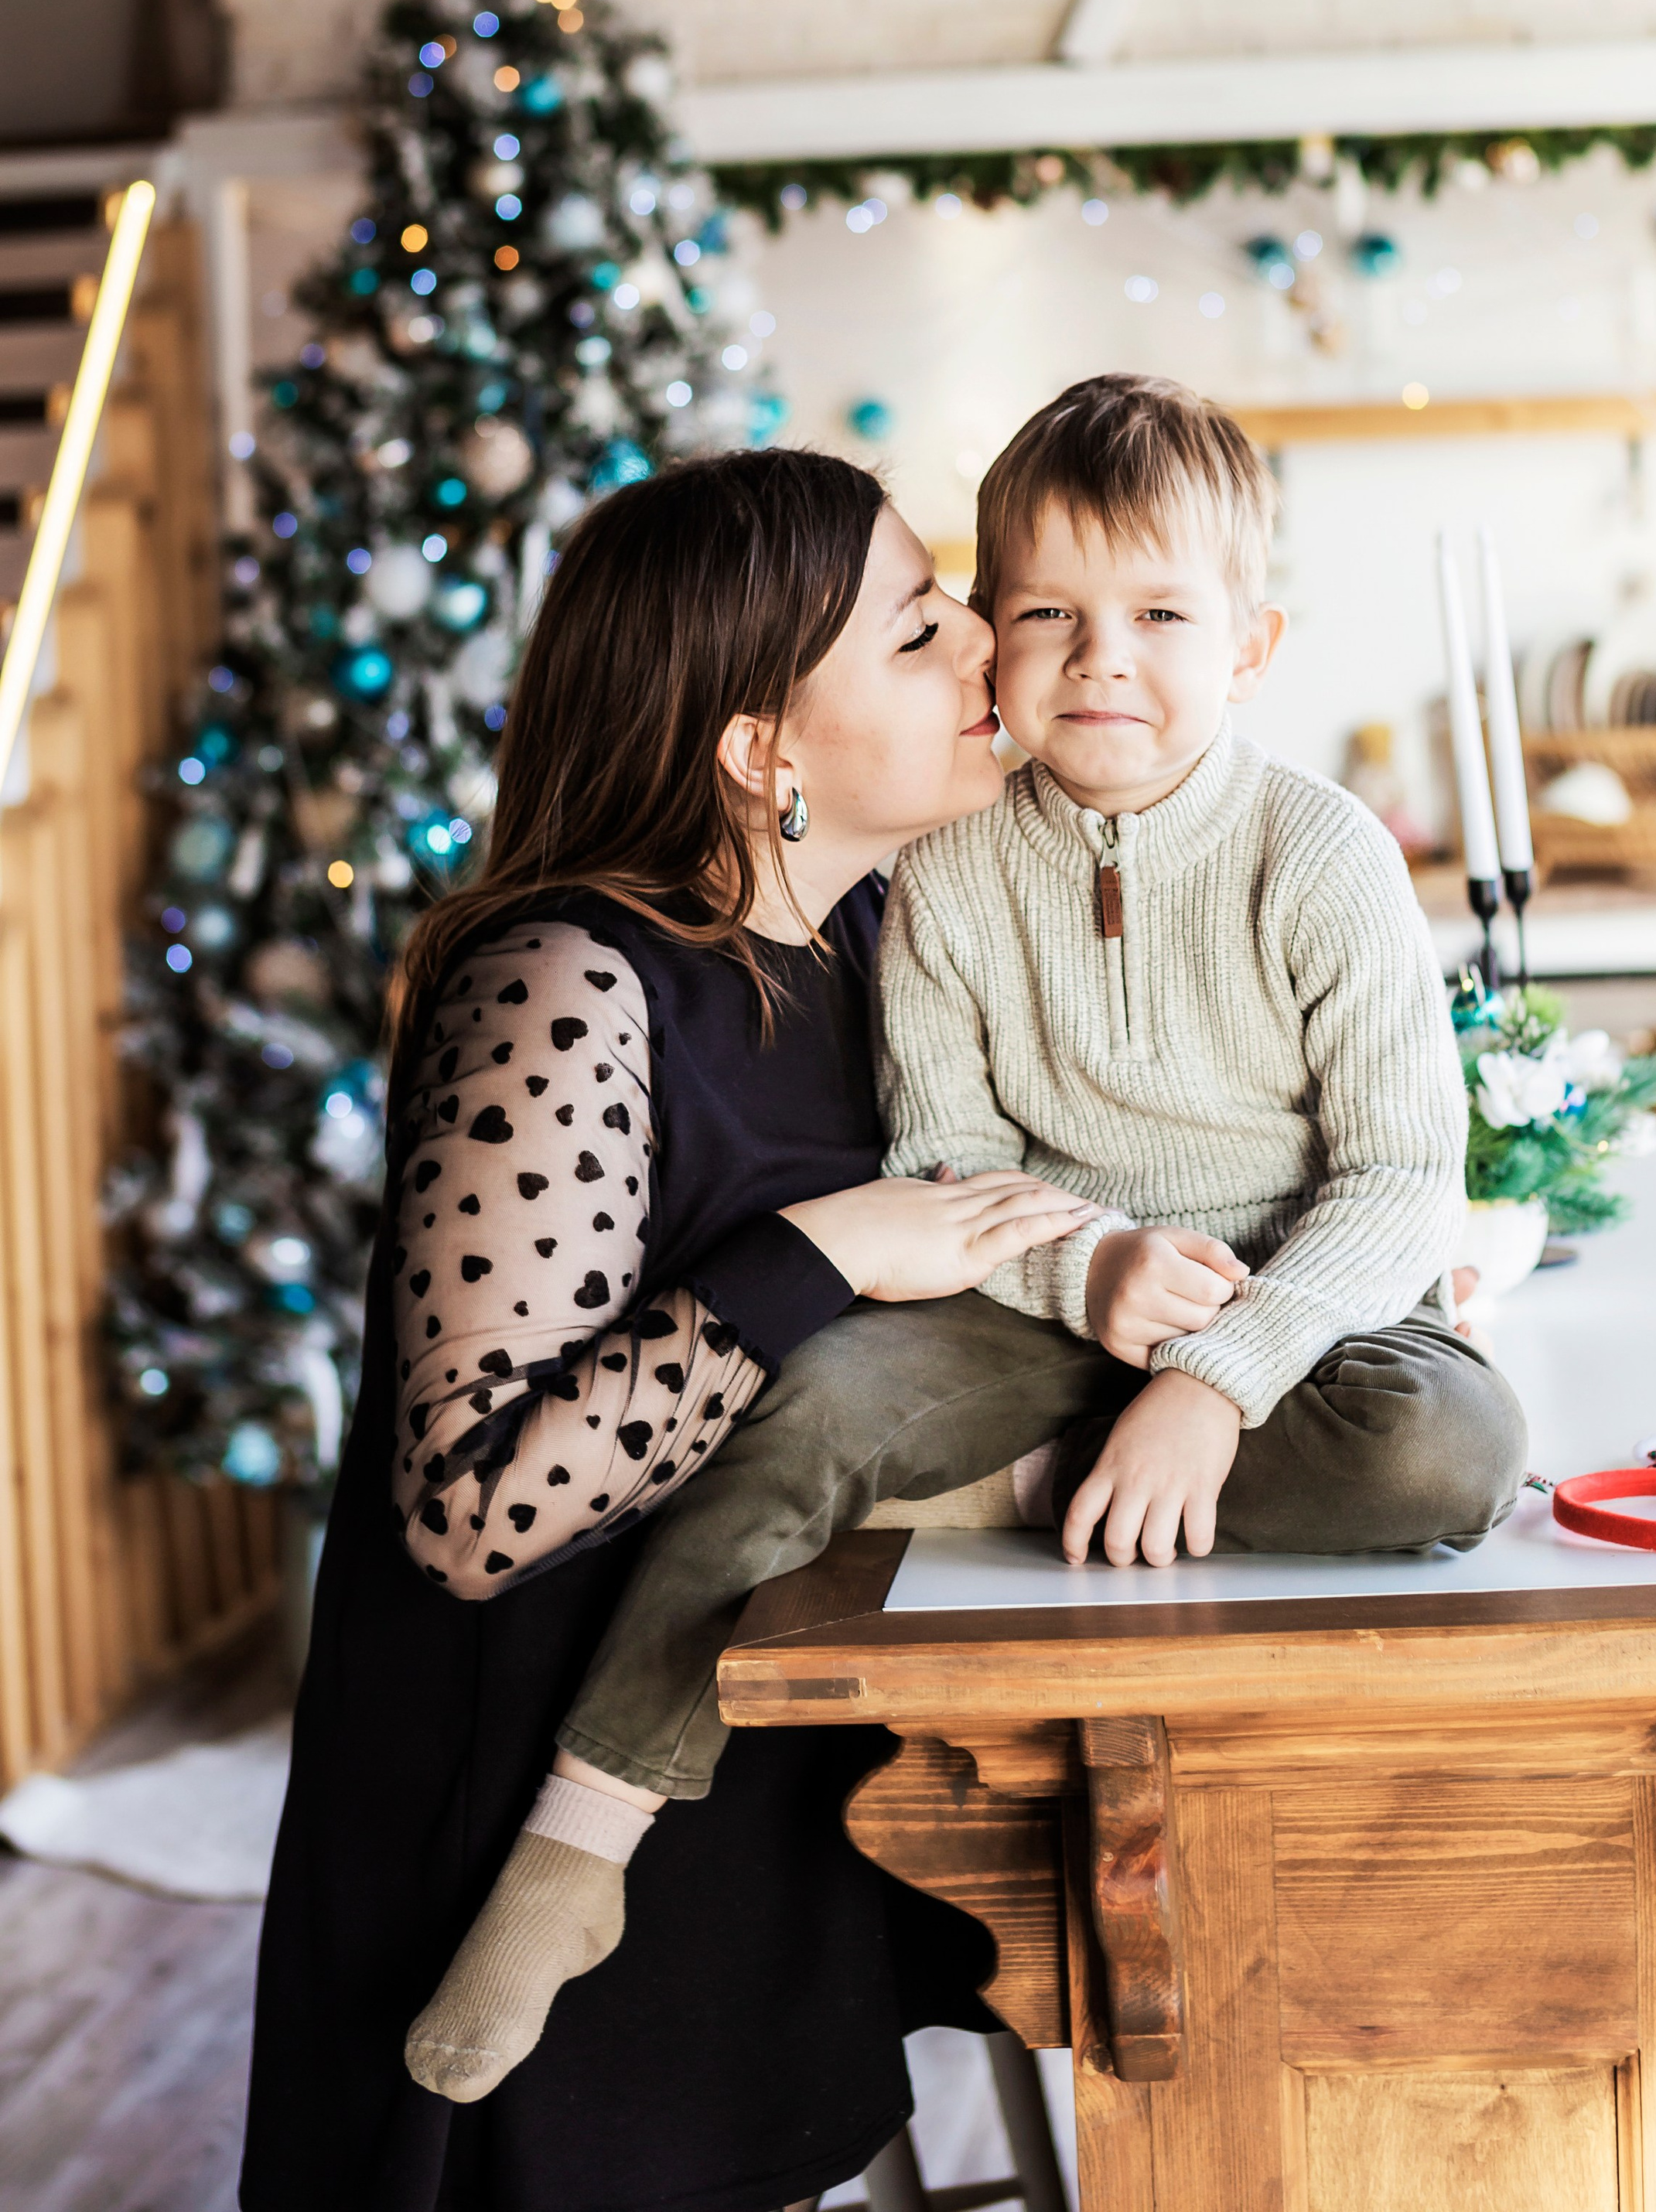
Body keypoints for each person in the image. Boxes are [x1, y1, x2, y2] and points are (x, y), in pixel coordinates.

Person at [424, 373, 1528, 2099]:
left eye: (1160, 614)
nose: (1100, 661)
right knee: (803, 1410)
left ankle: (1049, 1477)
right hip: (1026, 1304)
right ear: (997, 646)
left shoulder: (1316, 856)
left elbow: (1397, 1175)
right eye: (1032, 617)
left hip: (1274, 1314)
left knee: (1446, 1445)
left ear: (1251, 643)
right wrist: (1084, 1272)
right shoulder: (936, 874)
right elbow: (943, 1156)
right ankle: (583, 1837)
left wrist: (1216, 1379)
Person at [243, 447, 1098, 2212]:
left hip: (736, 1754)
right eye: (918, 630)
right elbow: (476, 1512)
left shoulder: (877, 942)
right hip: (513, 1803)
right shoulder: (564, 976)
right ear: (759, 746)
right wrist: (820, 1253)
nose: (985, 659)